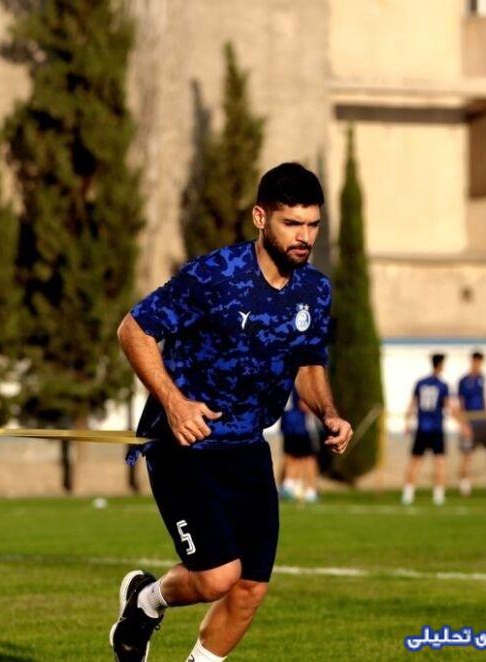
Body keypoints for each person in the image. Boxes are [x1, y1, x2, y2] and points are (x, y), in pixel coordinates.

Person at [109, 163, 352, 662]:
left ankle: (164, 624)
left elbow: (307, 363)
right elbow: (134, 330)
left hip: (247, 448)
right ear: (261, 217)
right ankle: (146, 601)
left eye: (313, 225)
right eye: (292, 223)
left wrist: (329, 412)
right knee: (218, 576)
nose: (304, 237)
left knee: (250, 590)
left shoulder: (315, 292)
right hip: (185, 443)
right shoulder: (214, 275)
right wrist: (174, 404)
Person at [401, 353, 468, 506]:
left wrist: (406, 424)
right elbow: (449, 407)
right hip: (436, 429)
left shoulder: (420, 383)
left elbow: (412, 405)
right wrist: (462, 425)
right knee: (440, 462)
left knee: (415, 462)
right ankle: (438, 496)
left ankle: (408, 495)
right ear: (441, 365)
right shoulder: (442, 385)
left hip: (421, 428)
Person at [457, 350, 486, 495]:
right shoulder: (464, 381)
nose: (478, 364)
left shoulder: (482, 378)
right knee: (467, 455)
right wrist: (463, 424)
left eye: (480, 362)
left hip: (483, 421)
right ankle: (465, 486)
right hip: (471, 421)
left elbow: (484, 398)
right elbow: (460, 403)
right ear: (472, 361)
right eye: (476, 361)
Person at [279, 391, 320, 503]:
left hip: (288, 423)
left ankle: (289, 487)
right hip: (299, 425)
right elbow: (305, 404)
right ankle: (309, 491)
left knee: (292, 456)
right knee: (307, 458)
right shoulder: (299, 381)